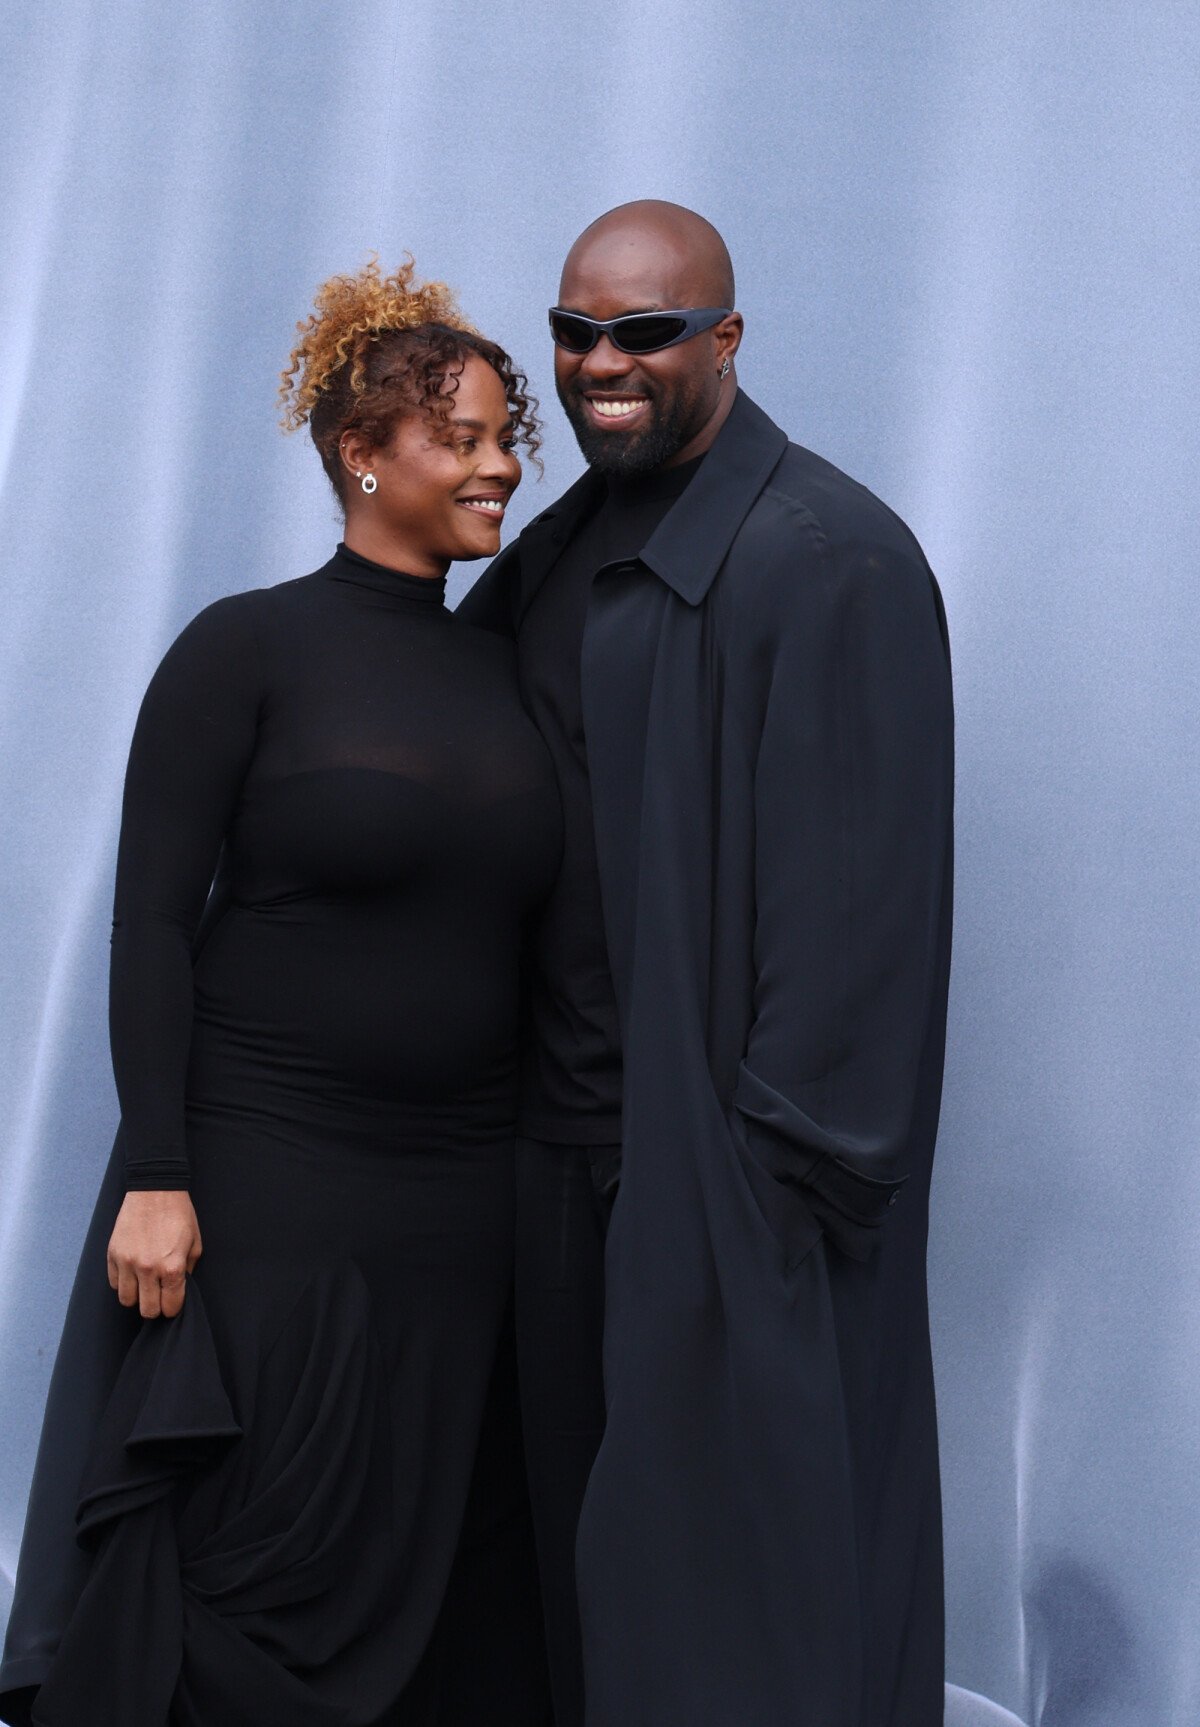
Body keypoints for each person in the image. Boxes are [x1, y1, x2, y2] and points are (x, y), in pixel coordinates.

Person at [0, 259, 560, 1727]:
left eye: (514, 437)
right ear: (361, 456)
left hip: (459, 1205)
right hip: (266, 1177)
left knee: (421, 1542)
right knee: (250, 1539)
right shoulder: (241, 652)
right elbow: (148, 927)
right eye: (467, 437)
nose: (503, 463)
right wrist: (161, 1174)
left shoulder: (513, 672)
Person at [458, 200, 955, 1727]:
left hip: (717, 1196)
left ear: (723, 342)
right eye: (575, 330)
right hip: (553, 1160)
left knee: (739, 1623)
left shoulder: (829, 558)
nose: (602, 362)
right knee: (557, 1595)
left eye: (646, 332)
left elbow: (861, 942)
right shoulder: (550, 562)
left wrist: (767, 1191)